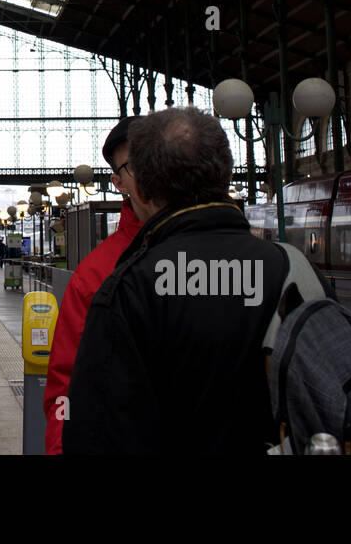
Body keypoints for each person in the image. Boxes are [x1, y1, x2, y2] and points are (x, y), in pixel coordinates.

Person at [63, 107, 331, 454]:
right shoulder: (296, 272)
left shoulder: (127, 288)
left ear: (142, 191)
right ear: (225, 176)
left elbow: (92, 433)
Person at [42, 116, 144, 455]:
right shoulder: (96, 274)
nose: (153, 170)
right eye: (137, 163)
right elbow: (66, 388)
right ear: (119, 182)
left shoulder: (233, 257)